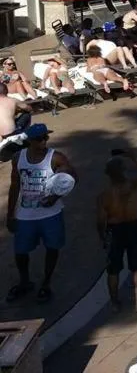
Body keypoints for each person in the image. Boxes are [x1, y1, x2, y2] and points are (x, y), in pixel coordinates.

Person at [6, 124, 76, 303]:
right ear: (29, 141)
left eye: (46, 137)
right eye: (39, 139)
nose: (44, 142)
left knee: (52, 249)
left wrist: (55, 196)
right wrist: (10, 214)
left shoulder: (56, 158)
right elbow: (15, 186)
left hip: (50, 215)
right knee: (20, 252)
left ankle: (46, 283)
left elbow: (72, 177)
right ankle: (25, 281)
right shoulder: (18, 158)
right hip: (25, 215)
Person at [97, 149, 137, 311]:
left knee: (113, 269)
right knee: (136, 267)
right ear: (124, 171)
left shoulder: (105, 195)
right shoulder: (134, 186)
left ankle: (114, 302)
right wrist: (130, 155)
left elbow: (101, 220)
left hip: (115, 229)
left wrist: (102, 237)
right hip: (133, 227)